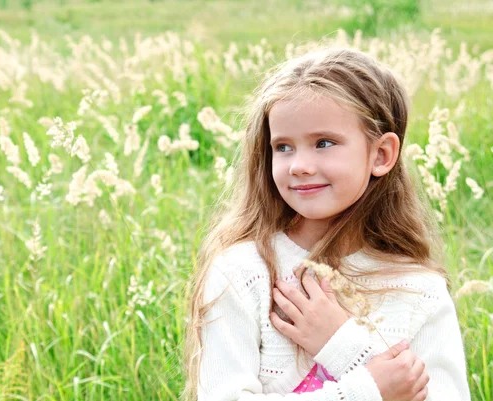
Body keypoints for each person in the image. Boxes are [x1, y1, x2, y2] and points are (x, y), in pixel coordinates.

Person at [182, 47, 471, 401]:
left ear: (381, 155)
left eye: (323, 143)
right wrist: (365, 390)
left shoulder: (418, 289)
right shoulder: (243, 272)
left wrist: (342, 345)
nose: (299, 165)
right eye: (283, 147)